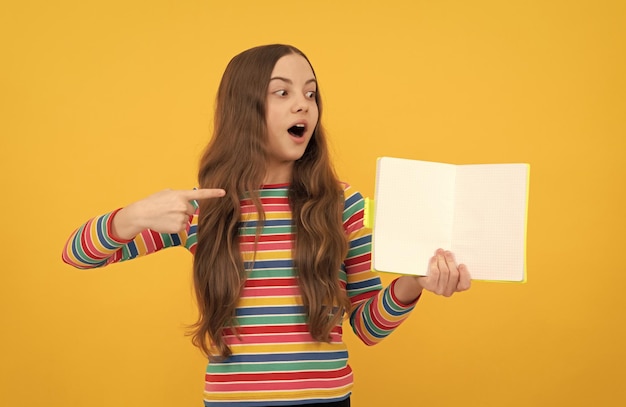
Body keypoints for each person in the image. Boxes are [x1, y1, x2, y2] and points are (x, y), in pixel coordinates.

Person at [62, 44, 471, 407]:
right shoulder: (203, 208)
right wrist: (132, 217)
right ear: (244, 108)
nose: (303, 105)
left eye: (311, 93)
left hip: (327, 399)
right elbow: (77, 254)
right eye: (283, 92)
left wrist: (414, 282)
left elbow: (366, 326)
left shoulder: (341, 203)